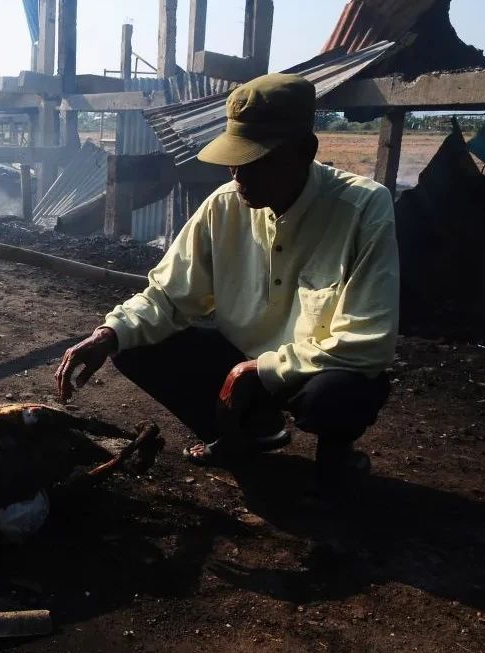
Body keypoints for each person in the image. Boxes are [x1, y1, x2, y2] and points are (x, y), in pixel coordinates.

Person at [55, 73, 399, 497]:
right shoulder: (224, 205)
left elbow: (367, 340)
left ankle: (336, 454)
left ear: (304, 152)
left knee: (337, 393)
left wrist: (261, 369)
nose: (240, 176)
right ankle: (248, 433)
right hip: (241, 360)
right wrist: (110, 332)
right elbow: (166, 295)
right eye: (235, 161)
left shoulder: (364, 207)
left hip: (313, 371)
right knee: (133, 342)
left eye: (258, 162)